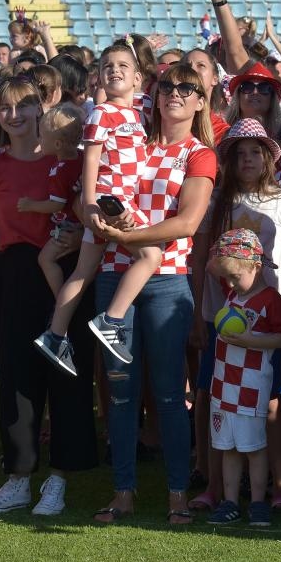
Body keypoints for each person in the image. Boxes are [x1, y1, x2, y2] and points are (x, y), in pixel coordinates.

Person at [90, 61, 216, 526]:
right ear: (156, 94)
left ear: (201, 100)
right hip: (112, 274)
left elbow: (187, 223)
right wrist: (100, 221)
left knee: (167, 395)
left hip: (167, 280)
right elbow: (97, 189)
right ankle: (122, 493)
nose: (176, 94)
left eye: (188, 88)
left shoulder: (200, 154)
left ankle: (178, 494)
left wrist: (127, 238)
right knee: (120, 393)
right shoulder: (130, 140)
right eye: (169, 87)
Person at [0, 77, 98, 518]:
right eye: (4, 108)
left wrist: (77, 231)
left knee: (67, 373)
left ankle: (60, 478)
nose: (15, 114)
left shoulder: (71, 159)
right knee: (18, 377)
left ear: (43, 106)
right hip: (15, 273)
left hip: (66, 272)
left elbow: (87, 212)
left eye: (24, 104)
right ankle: (19, 477)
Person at [38, 41, 162, 367]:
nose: (115, 70)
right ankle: (112, 319)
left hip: (113, 200)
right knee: (151, 255)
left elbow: (154, 93)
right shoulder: (101, 113)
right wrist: (90, 202)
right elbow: (90, 158)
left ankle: (54, 334)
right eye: (108, 67)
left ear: (137, 77)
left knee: (83, 270)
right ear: (99, 78)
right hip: (112, 199)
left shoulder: (138, 110)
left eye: (123, 65)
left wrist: (138, 50)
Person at [204, 227, 281, 528]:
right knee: (227, 447)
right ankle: (229, 502)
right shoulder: (233, 292)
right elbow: (212, 265)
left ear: (256, 267)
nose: (229, 283)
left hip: (252, 389)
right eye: (226, 278)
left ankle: (257, 503)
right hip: (223, 385)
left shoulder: (271, 300)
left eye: (234, 277)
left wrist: (251, 340)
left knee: (253, 448)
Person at [18, 103, 83, 304]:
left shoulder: (59, 170)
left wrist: (30, 205)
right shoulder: (83, 157)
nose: (39, 140)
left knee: (45, 259)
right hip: (82, 224)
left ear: (57, 145)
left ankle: (61, 300)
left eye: (42, 137)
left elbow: (55, 204)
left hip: (68, 225)